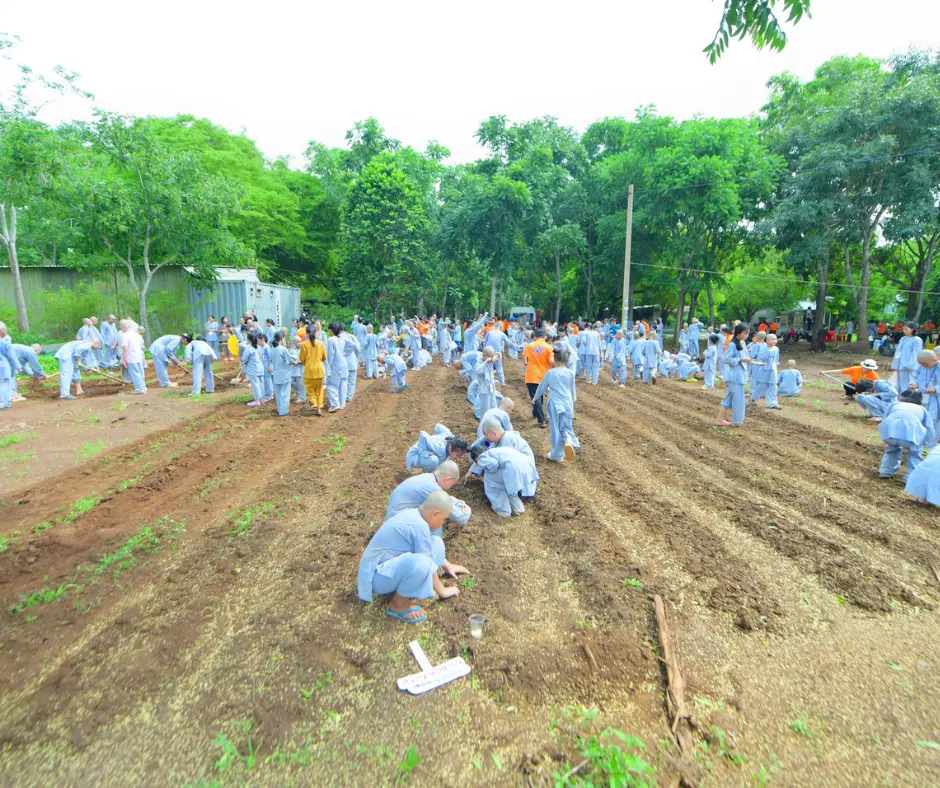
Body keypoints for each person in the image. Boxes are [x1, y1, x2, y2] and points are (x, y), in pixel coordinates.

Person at [357, 490, 469, 625]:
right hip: (375, 578)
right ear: (435, 514)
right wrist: (443, 591)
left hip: (387, 569)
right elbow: (425, 561)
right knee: (422, 563)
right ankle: (398, 605)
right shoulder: (419, 526)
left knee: (436, 544)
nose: (443, 523)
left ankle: (407, 585)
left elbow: (427, 549)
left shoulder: (415, 515)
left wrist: (448, 565)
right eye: (444, 519)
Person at [385, 461, 471, 526]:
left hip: (394, 517)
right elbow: (462, 518)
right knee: (435, 521)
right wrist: (466, 509)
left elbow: (446, 498)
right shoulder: (432, 488)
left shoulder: (427, 478)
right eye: (451, 484)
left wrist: (458, 502)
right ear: (447, 479)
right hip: (398, 523)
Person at [533, 346, 579, 462]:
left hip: (555, 403)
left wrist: (535, 398)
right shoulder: (570, 373)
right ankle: (569, 441)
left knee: (555, 428)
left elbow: (542, 386)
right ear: (567, 361)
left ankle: (556, 455)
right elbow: (572, 389)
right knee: (566, 426)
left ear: (555, 360)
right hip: (567, 403)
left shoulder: (551, 372)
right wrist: (572, 401)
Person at [470, 443, 539, 518]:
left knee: (490, 481)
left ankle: (503, 510)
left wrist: (488, 471)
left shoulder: (482, 457)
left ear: (476, 459)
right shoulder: (498, 450)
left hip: (513, 470)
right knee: (508, 486)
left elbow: (493, 464)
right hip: (527, 469)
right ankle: (518, 508)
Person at [878, 390, 935, 480]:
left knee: (892, 449)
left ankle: (886, 471)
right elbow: (929, 427)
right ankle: (910, 477)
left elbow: (885, 420)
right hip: (910, 437)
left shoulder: (894, 405)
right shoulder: (922, 410)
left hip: (891, 435)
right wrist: (927, 441)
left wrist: (883, 435)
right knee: (915, 453)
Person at [717, 323, 752, 427]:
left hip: (740, 375)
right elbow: (726, 360)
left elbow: (745, 356)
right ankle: (736, 421)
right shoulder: (732, 344)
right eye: (746, 333)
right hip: (733, 377)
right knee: (737, 399)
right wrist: (741, 359)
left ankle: (721, 419)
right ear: (739, 333)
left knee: (730, 398)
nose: (747, 335)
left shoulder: (742, 343)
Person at [911, 349, 940, 442]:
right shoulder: (921, 367)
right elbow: (915, 376)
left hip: (935, 398)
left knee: (933, 421)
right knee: (921, 418)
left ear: (934, 360)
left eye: (925, 364)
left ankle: (931, 443)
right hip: (923, 396)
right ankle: (921, 440)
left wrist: (936, 389)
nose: (923, 366)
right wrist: (914, 384)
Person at [298, 329, 327, 414]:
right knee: (319, 390)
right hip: (319, 370)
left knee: (310, 388)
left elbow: (302, 358)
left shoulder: (303, 344)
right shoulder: (320, 343)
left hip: (309, 371)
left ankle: (313, 402)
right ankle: (319, 408)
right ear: (315, 333)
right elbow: (324, 357)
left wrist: (306, 363)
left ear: (306, 333)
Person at [750, 333, 781, 409]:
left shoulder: (776, 349)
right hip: (764, 369)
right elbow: (762, 357)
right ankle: (753, 398)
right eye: (772, 339)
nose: (774, 341)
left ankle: (772, 403)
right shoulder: (763, 347)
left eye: (775, 339)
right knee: (761, 386)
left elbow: (777, 358)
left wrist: (776, 363)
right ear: (767, 341)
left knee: (773, 386)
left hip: (773, 370)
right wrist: (769, 353)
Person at [892, 322, 923, 393]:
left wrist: (911, 366)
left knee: (906, 384)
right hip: (900, 364)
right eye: (903, 329)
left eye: (906, 329)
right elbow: (897, 352)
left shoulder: (917, 340)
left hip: (908, 366)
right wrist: (895, 364)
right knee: (899, 384)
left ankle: (907, 399)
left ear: (913, 329)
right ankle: (900, 399)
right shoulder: (903, 338)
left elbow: (916, 353)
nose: (904, 331)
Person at [325, 322, 349, 413]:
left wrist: (328, 368)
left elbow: (330, 355)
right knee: (343, 385)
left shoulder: (331, 340)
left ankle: (335, 404)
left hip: (336, 365)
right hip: (343, 364)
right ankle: (342, 404)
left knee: (331, 385)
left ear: (330, 330)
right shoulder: (342, 339)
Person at [269, 332, 293, 416]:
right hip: (284, 374)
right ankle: (284, 411)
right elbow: (289, 360)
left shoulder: (273, 349)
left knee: (278, 394)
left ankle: (280, 410)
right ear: (281, 339)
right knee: (285, 394)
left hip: (276, 375)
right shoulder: (283, 349)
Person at [239, 332, 266, 407]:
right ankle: (261, 400)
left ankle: (257, 401)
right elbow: (262, 358)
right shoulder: (259, 347)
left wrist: (243, 362)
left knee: (255, 385)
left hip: (253, 369)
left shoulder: (248, 348)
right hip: (260, 368)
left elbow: (244, 359)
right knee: (261, 384)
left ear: (249, 340)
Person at [473, 347, 500, 419]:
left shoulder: (490, 360)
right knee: (485, 410)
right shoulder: (479, 361)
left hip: (491, 388)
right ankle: (484, 424)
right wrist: (485, 362)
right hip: (484, 389)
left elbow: (499, 354)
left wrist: (495, 356)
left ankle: (494, 422)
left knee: (494, 406)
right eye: (489, 357)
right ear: (484, 356)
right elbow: (478, 371)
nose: (491, 359)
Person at [0, 332, 19, 408]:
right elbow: (11, 355)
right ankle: (4, 404)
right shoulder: (4, 343)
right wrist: (17, 366)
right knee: (4, 384)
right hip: (2, 365)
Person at [342, 327, 360, 404]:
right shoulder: (352, 336)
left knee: (343, 380)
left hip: (342, 362)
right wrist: (356, 356)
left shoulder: (337, 338)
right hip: (352, 360)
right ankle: (349, 396)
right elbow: (358, 349)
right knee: (351, 380)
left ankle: (343, 396)